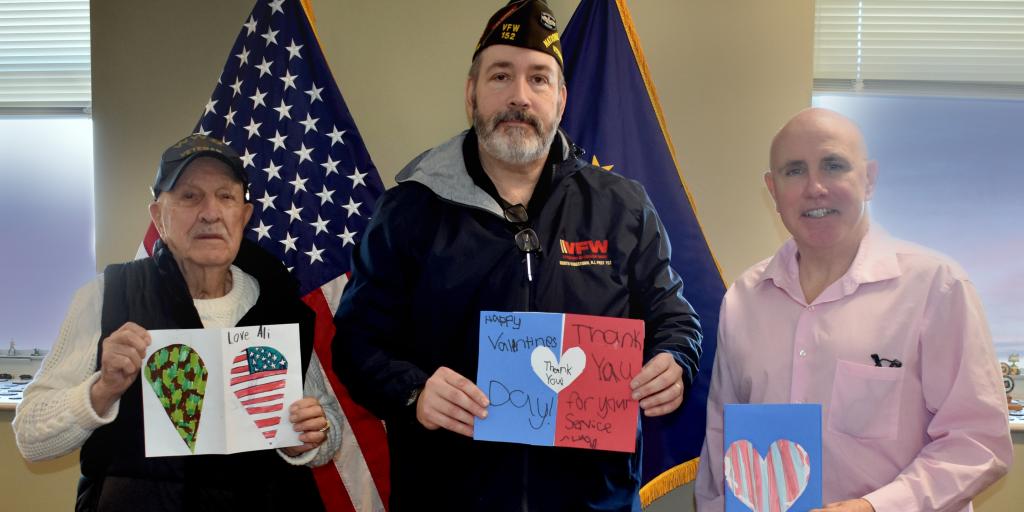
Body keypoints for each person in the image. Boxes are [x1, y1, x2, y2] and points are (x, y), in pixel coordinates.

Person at [331, 1, 702, 510]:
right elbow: (356, 340)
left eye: (539, 79)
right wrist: (414, 390)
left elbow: (673, 317)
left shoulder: (622, 206)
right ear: (471, 94)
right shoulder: (408, 211)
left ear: (561, 99)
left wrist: (673, 360)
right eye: (501, 76)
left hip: (594, 501)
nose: (519, 96)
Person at [695, 108, 1013, 511]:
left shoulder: (937, 287)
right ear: (773, 190)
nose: (815, 188)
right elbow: (722, 443)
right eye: (795, 171)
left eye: (833, 166)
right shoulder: (744, 299)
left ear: (869, 179)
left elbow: (978, 441)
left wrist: (875, 507)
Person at [13, 134, 343, 511]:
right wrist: (103, 388)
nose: (210, 212)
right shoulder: (109, 295)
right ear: (158, 216)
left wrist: (308, 438)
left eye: (226, 196)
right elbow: (31, 439)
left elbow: (326, 425)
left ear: (244, 215)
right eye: (189, 196)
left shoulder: (279, 303)